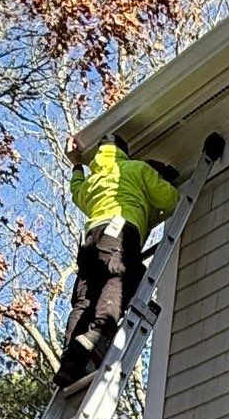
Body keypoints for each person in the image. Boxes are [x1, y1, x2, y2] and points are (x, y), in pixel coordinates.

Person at [53, 137, 180, 390]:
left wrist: (77, 165)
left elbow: (77, 192)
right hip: (120, 228)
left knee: (85, 299)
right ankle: (99, 335)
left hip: (90, 240)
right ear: (124, 152)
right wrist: (160, 183)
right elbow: (169, 199)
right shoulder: (136, 168)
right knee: (120, 275)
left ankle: (72, 355)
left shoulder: (93, 180)